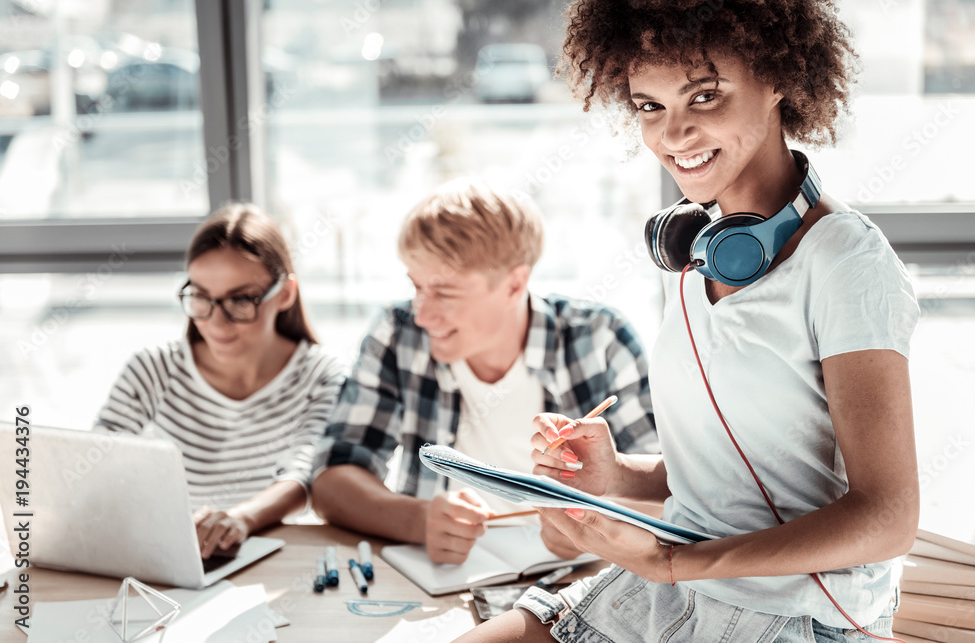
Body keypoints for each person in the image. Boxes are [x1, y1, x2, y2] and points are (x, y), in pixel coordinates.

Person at [457, 0, 920, 641]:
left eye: (705, 95)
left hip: (794, 612)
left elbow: (887, 519)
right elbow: (733, 476)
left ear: (778, 77)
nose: (673, 133)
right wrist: (615, 474)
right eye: (649, 105)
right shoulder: (697, 251)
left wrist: (676, 563)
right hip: (679, 584)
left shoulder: (846, 262)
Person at [311, 180, 660, 565]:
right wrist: (418, 520)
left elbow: (669, 493)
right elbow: (331, 482)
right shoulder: (398, 333)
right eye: (416, 287)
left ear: (514, 285)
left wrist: (596, 528)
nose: (421, 314)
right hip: (445, 577)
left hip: (579, 579)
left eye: (443, 293)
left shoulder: (600, 339)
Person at [95, 204, 346, 559]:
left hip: (274, 559)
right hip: (176, 555)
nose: (216, 323)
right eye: (201, 297)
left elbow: (305, 475)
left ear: (285, 294)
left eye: (241, 300)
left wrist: (240, 519)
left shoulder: (321, 375)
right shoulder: (151, 369)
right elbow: (98, 465)